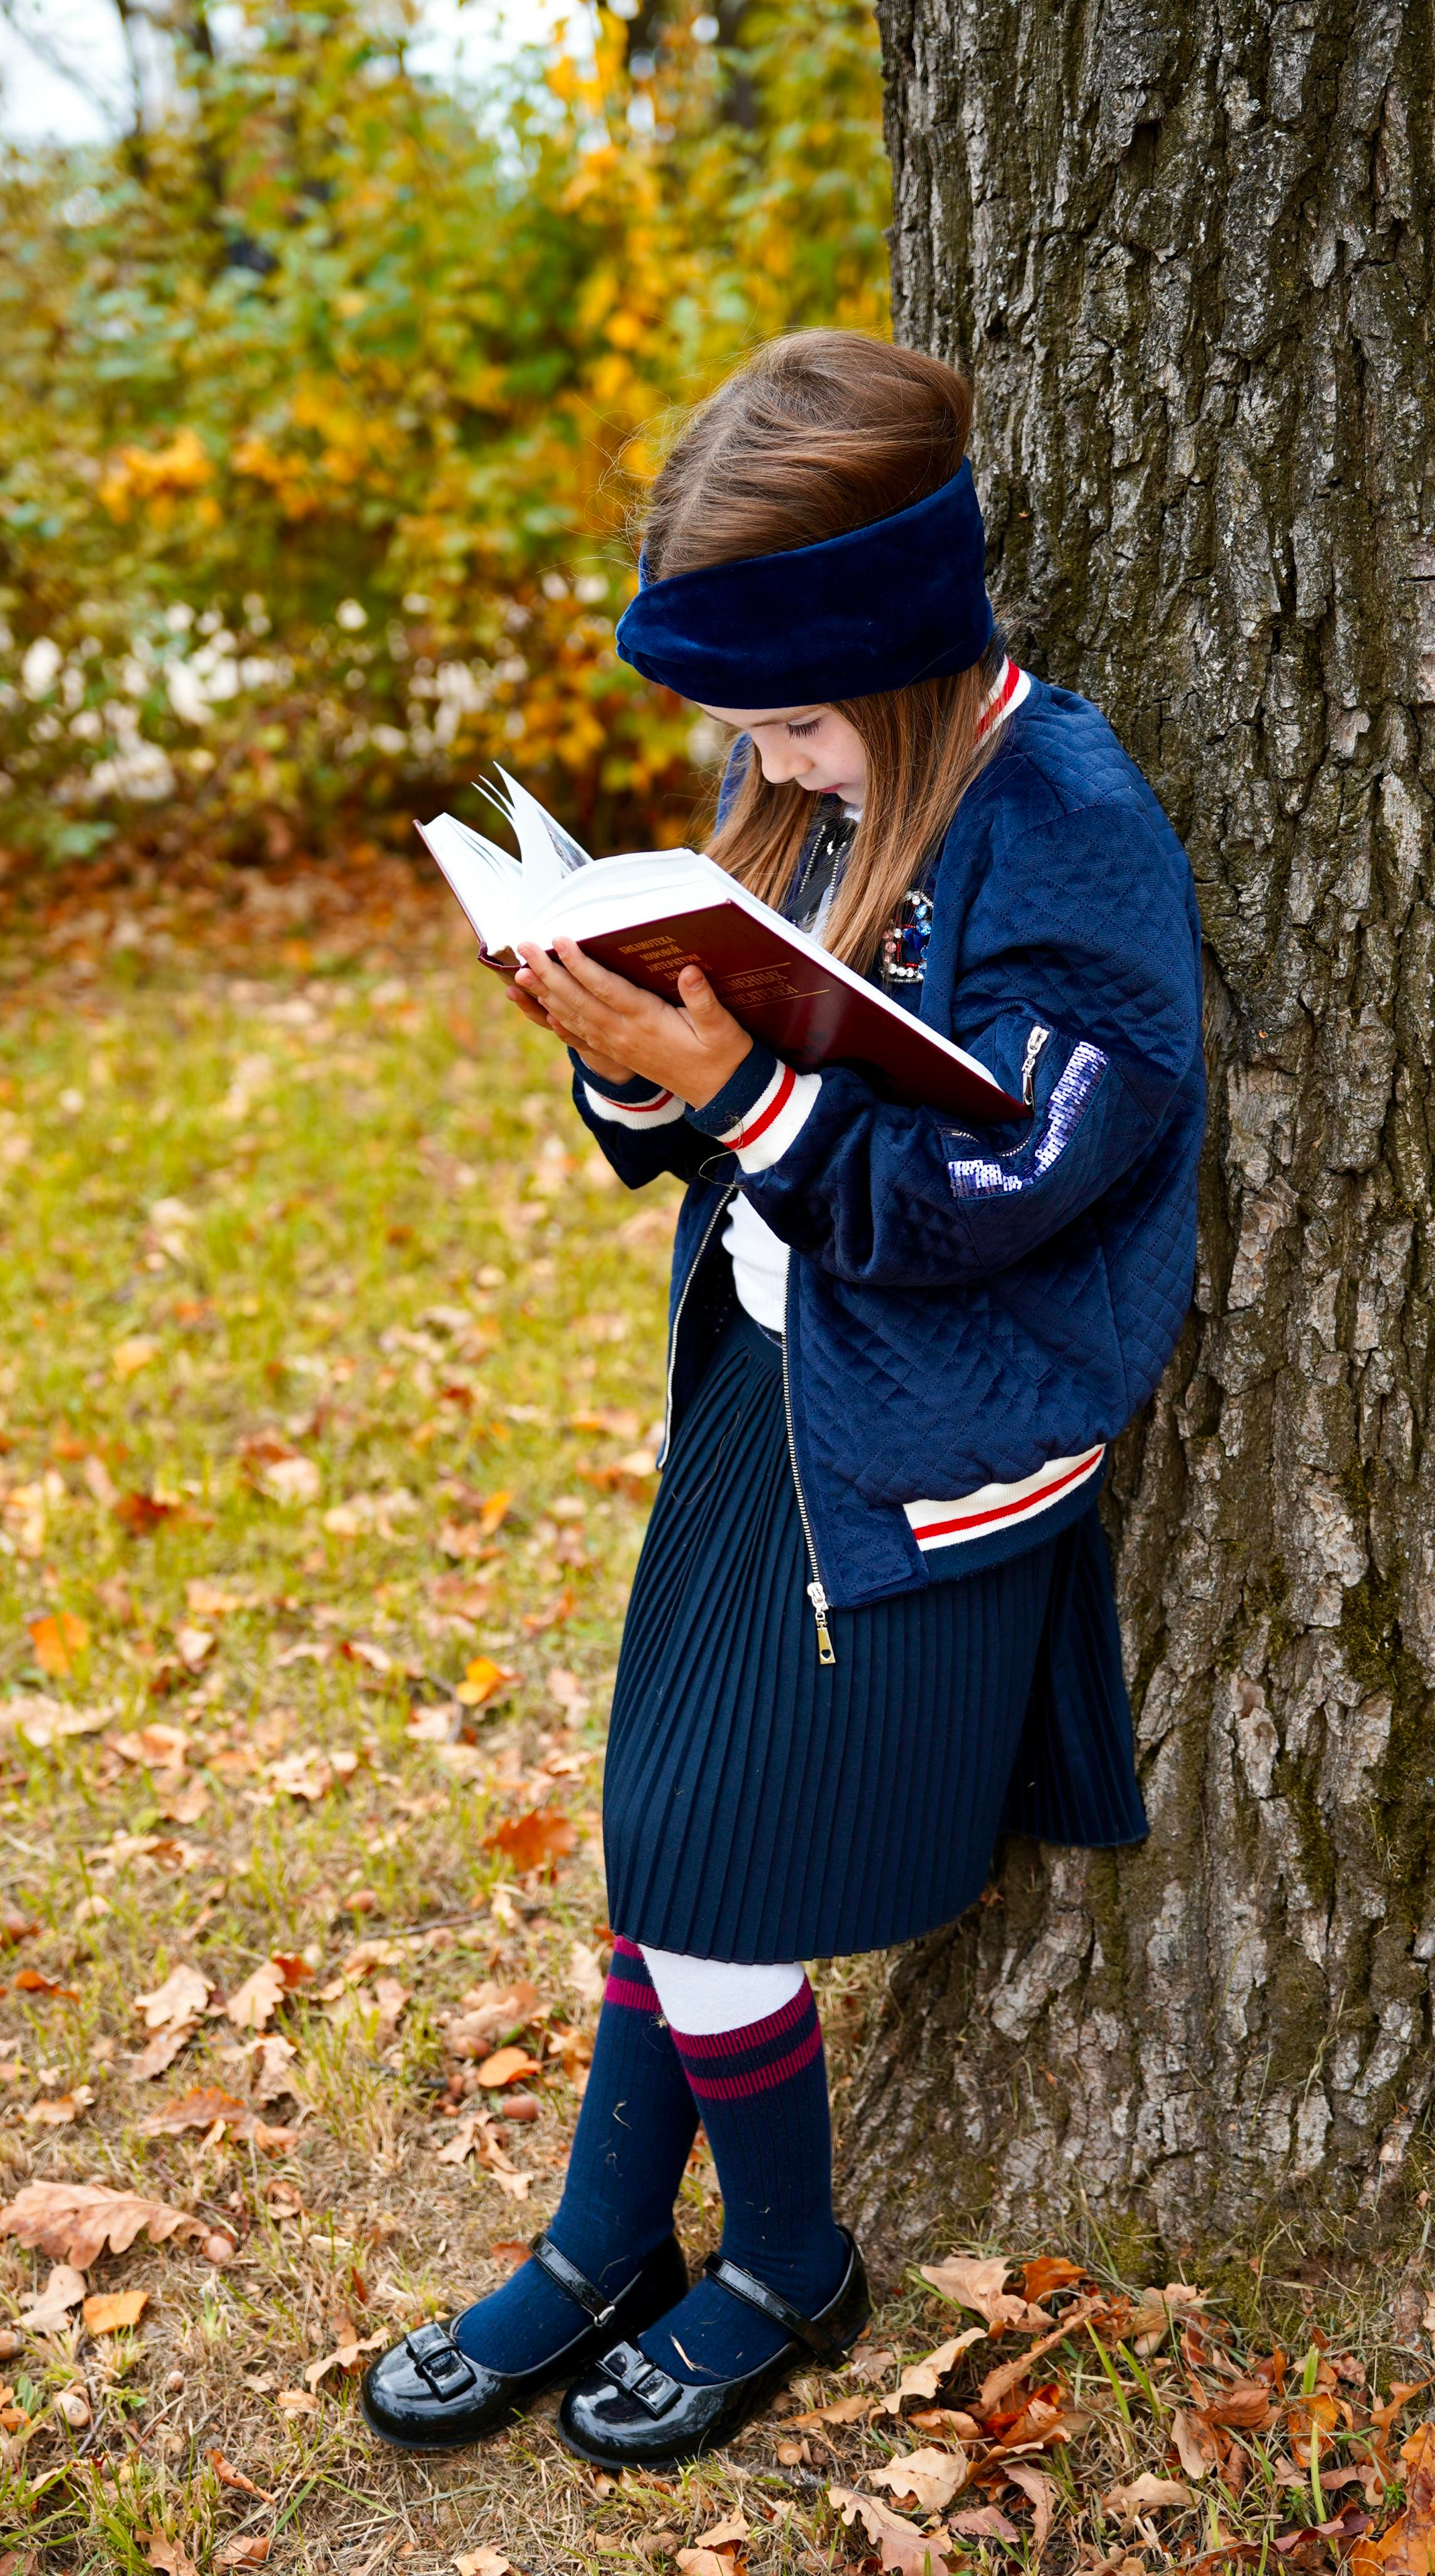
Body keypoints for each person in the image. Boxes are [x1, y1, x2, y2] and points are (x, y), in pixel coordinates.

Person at [364, 328, 1204, 2469]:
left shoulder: (1067, 824)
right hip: (773, 1389)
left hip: (930, 1443)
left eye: (797, 722)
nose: (774, 763)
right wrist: (619, 1026)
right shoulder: (819, 792)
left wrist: (727, 1083)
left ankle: (782, 2261)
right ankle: (605, 2235)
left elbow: (1020, 1178)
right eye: (740, 732)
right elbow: (735, 1084)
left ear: (906, 654)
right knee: (667, 1850)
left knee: (711, 1875)